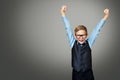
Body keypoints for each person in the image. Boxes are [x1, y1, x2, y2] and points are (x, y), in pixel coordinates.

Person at [61, 5, 110, 80]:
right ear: (75, 35)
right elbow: (67, 28)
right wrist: (63, 13)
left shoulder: (89, 43)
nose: (81, 38)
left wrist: (106, 16)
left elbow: (97, 29)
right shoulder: (72, 43)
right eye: (78, 35)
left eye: (83, 35)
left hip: (88, 73)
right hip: (76, 73)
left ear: (86, 35)